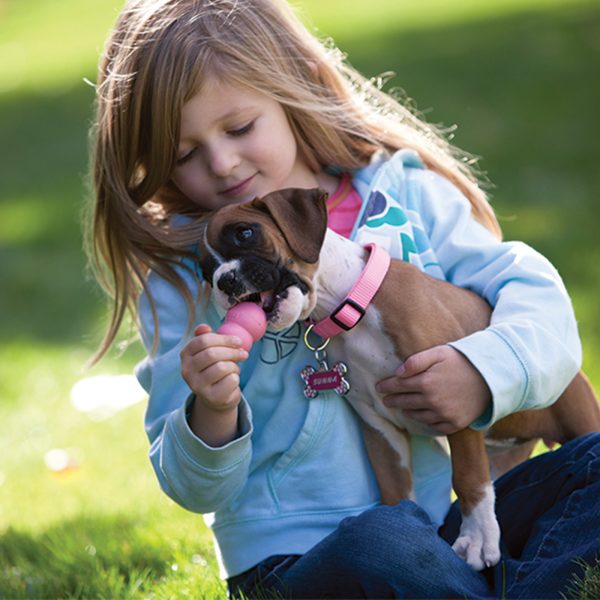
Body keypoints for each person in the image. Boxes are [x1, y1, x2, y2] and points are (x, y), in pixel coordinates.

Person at [86, 0, 600, 597]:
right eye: (184, 155)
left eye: (239, 127)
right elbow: (189, 486)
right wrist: (212, 412)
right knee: (381, 544)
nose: (222, 163)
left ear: (292, 90)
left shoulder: (406, 193)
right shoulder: (185, 276)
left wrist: (481, 372)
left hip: (459, 524)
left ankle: (497, 584)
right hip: (303, 552)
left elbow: (537, 305)